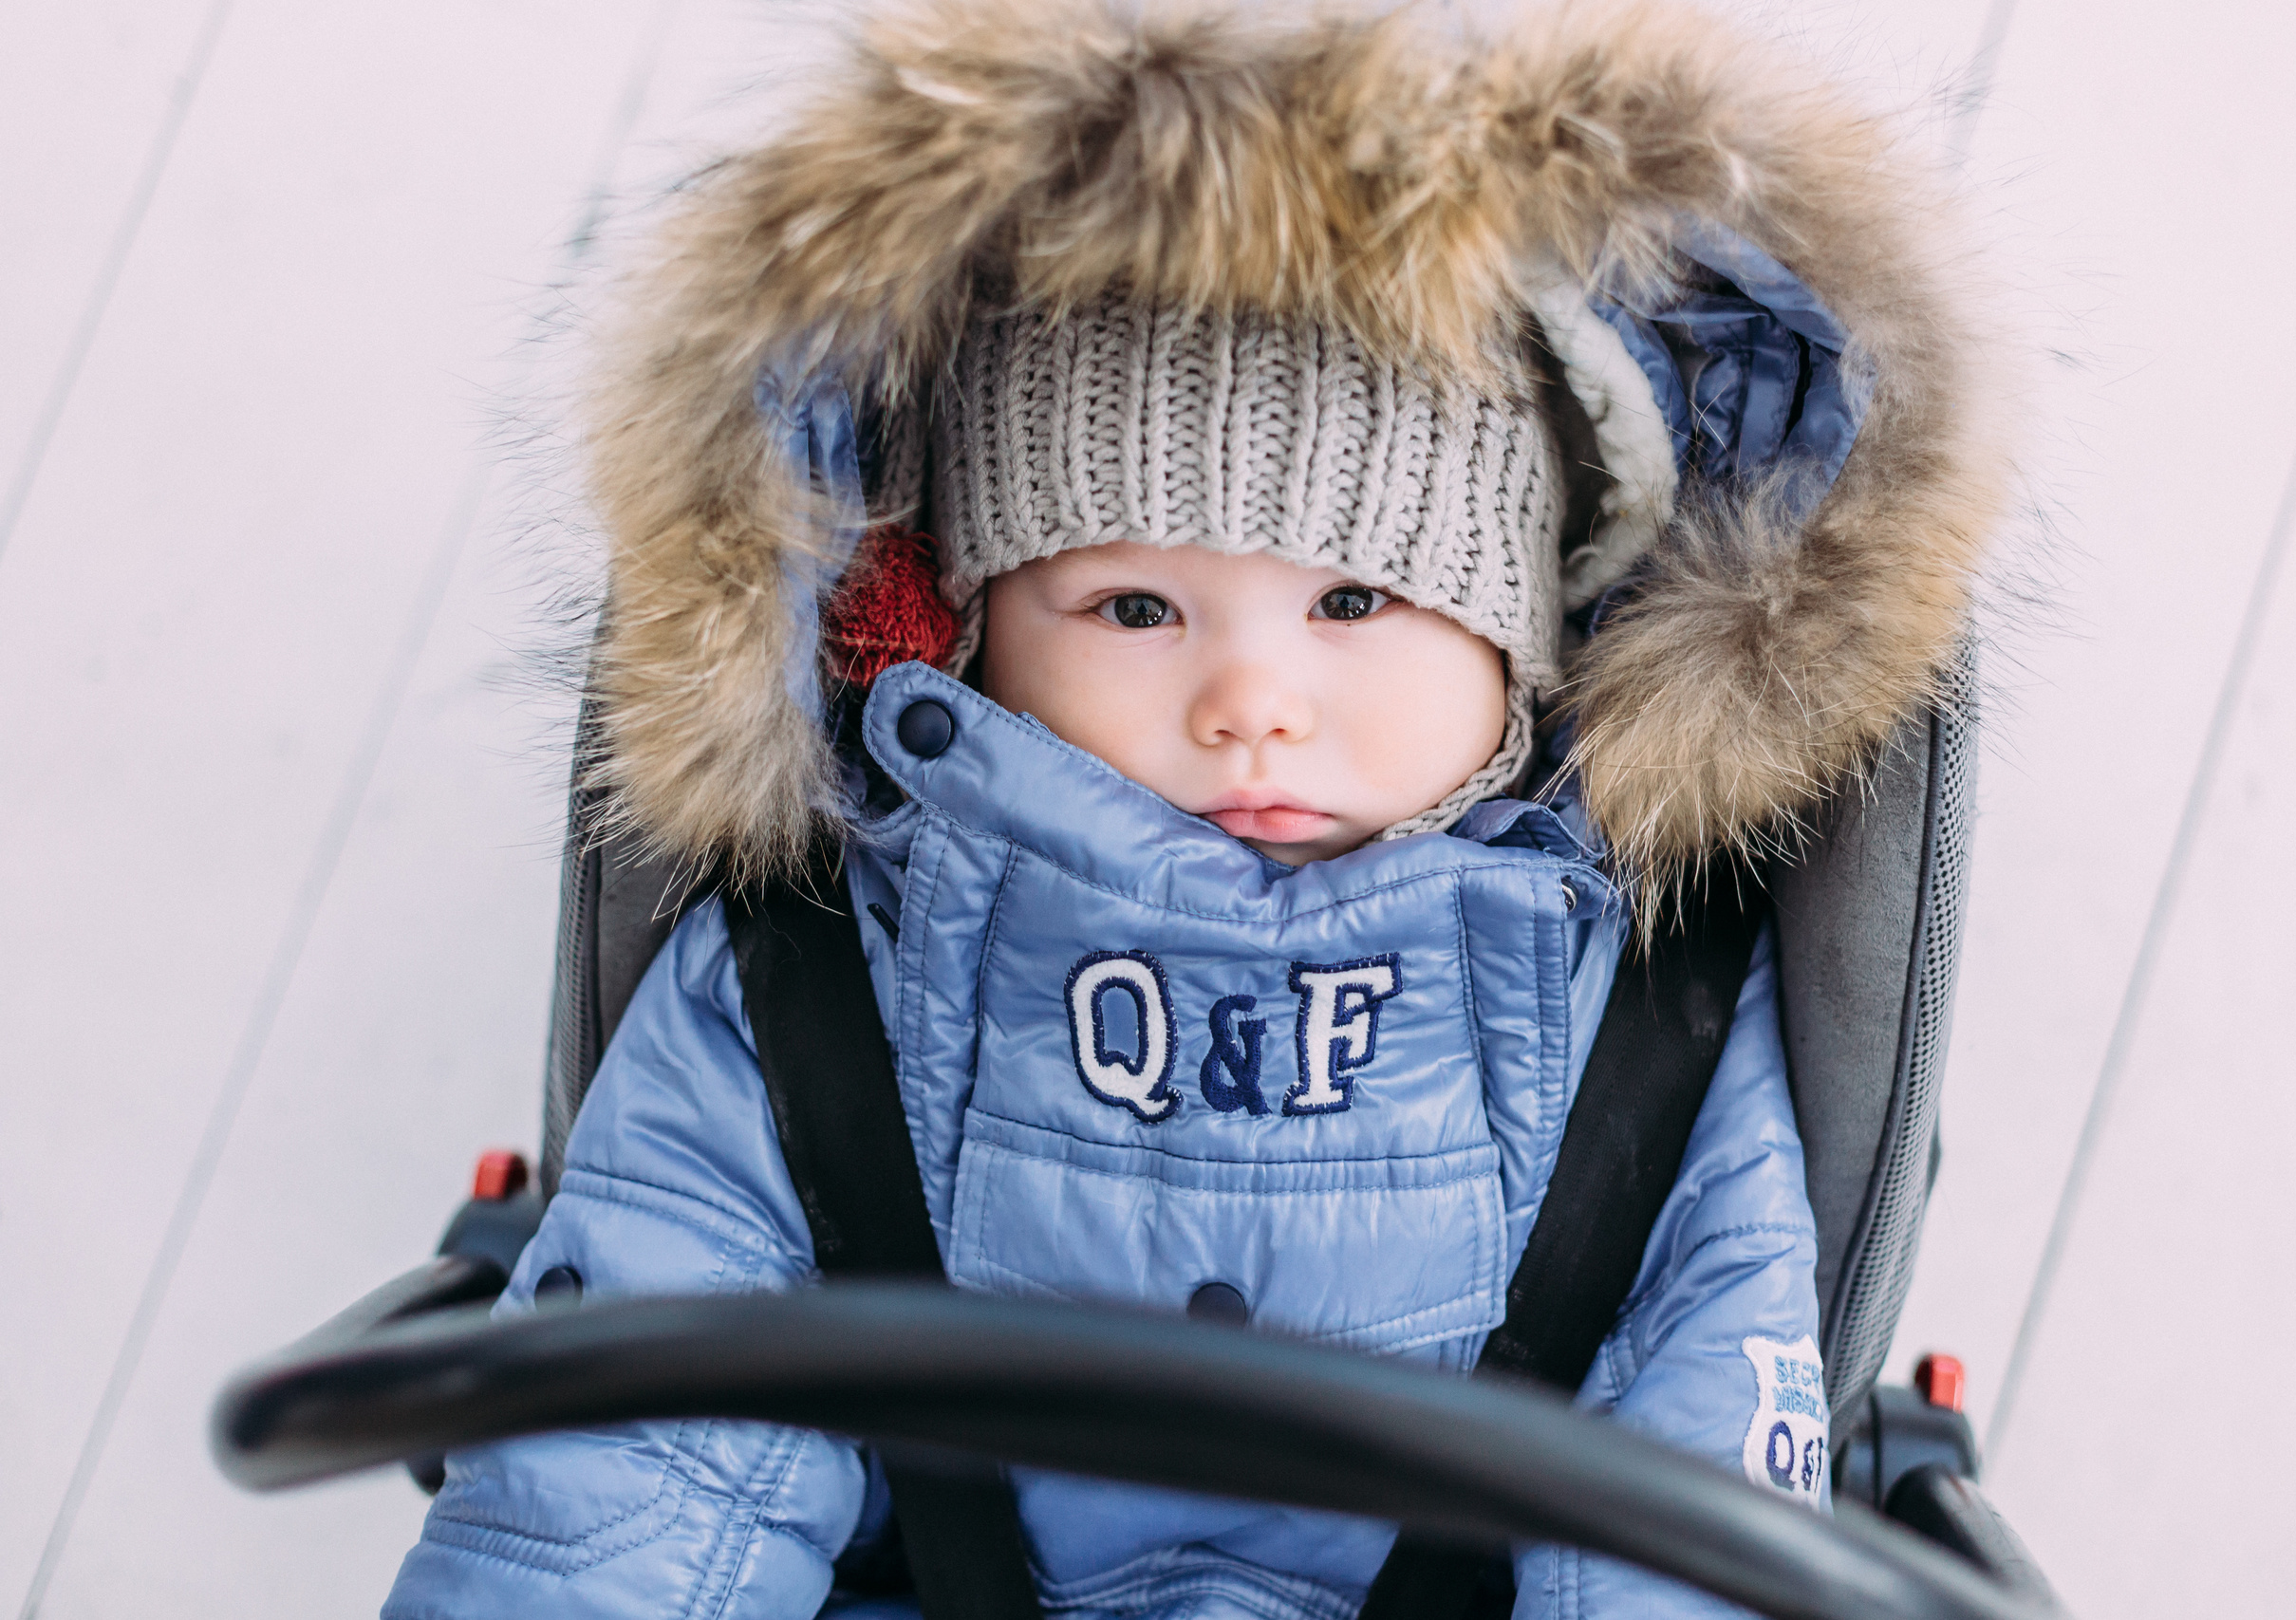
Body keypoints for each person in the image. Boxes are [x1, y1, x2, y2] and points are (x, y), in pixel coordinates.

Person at [383, 0, 2001, 1616]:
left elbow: (1698, 1451)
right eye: (1136, 611)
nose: (1254, 701)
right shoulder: (823, 966)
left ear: (1523, 647)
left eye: (1359, 601)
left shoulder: (1642, 1008)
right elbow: (646, 1463)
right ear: (966, 631)